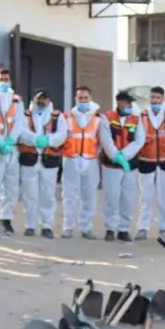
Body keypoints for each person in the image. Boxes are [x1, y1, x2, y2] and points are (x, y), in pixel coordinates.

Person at [18, 89, 67, 238]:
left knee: (48, 194)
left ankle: (47, 226)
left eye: (44, 99)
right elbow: (20, 132)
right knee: (30, 195)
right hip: (29, 158)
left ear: (49, 100)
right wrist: (34, 139)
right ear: (33, 99)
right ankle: (30, 225)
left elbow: (62, 135)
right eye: (38, 99)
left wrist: (49, 140)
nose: (41, 102)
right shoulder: (25, 115)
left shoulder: (57, 116)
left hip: (49, 159)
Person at [62, 86, 110, 239]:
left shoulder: (98, 118)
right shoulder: (68, 117)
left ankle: (86, 227)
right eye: (80, 98)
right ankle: (68, 227)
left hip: (90, 160)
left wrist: (99, 154)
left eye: (85, 98)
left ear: (90, 98)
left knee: (89, 195)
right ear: (75, 99)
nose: (82, 100)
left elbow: (103, 139)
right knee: (69, 195)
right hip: (71, 159)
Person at [0, 68, 25, 234]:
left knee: (11, 185)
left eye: (6, 79)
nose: (4, 82)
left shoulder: (16, 100)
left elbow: (19, 122)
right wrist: (0, 142)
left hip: (11, 148)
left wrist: (11, 140)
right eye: (1, 79)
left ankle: (6, 217)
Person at [102, 91, 143, 242]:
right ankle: (110, 228)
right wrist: (116, 156)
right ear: (119, 102)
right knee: (111, 196)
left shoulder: (136, 119)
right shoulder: (107, 118)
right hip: (111, 164)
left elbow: (139, 140)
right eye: (127, 103)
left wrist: (124, 156)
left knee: (128, 197)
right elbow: (106, 139)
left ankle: (123, 228)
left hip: (130, 165)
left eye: (130, 103)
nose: (129, 106)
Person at [135, 86, 165, 240]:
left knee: (164, 197)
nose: (155, 101)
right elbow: (138, 139)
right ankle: (142, 228)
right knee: (145, 197)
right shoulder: (142, 117)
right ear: (149, 99)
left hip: (164, 162)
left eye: (158, 98)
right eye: (153, 98)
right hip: (146, 161)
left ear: (163, 99)